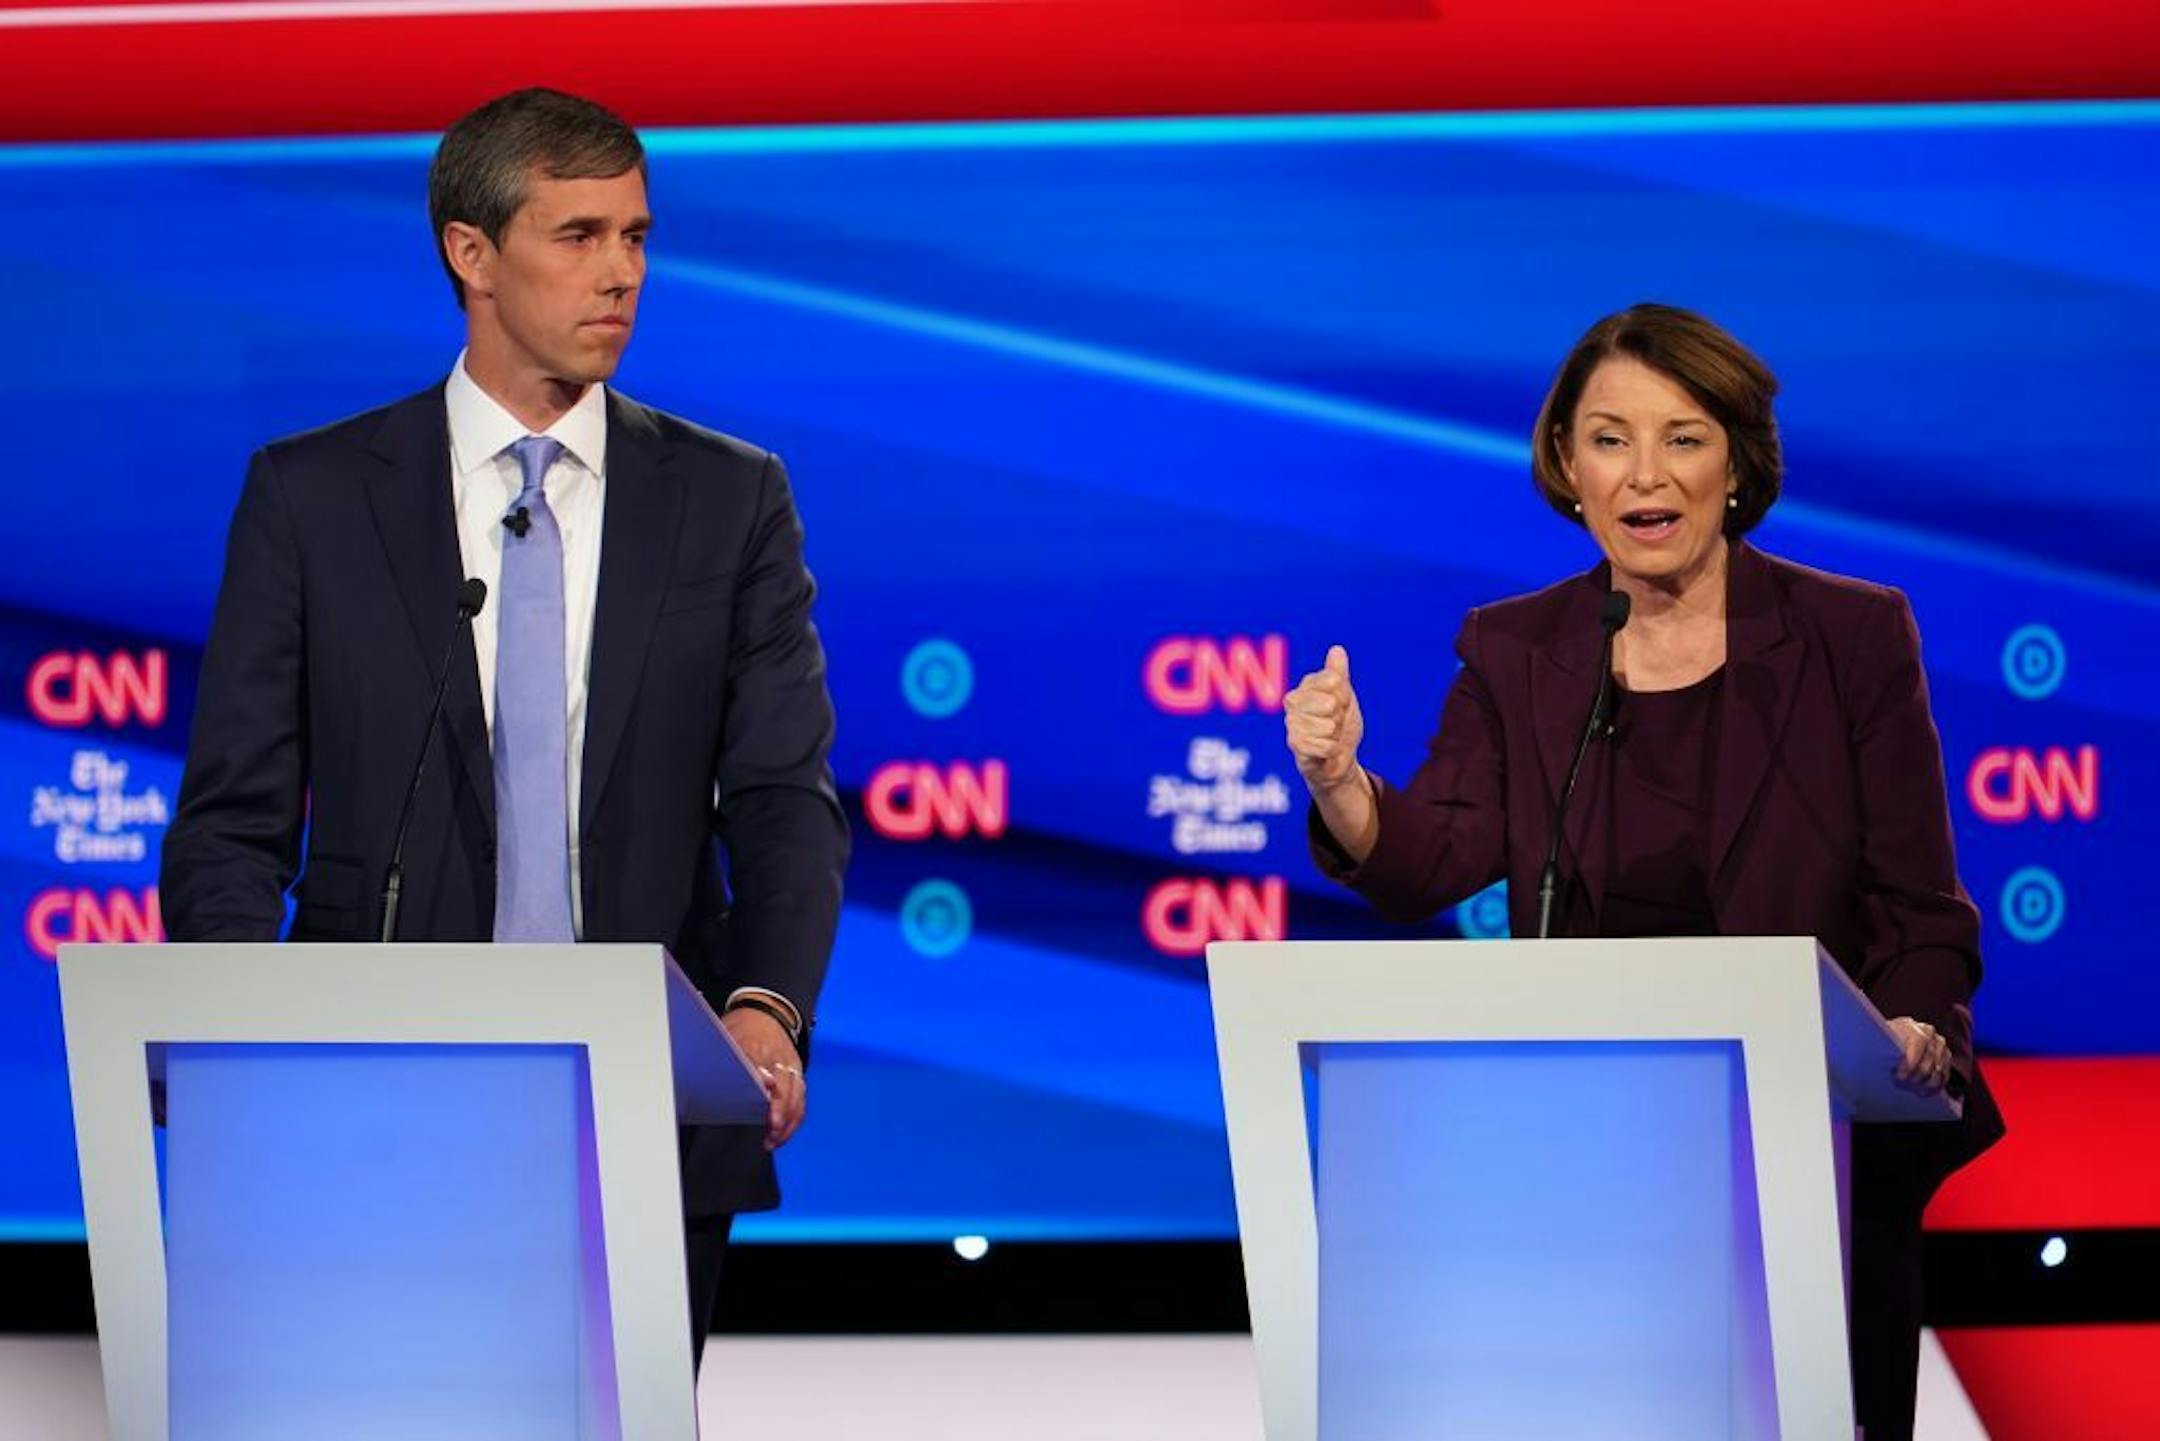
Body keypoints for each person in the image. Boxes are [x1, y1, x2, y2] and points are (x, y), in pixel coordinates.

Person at [160, 87, 848, 1362]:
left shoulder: (729, 499)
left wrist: (763, 1008)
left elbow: (781, 796)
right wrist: (245, 1060)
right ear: (470, 254)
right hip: (373, 1107)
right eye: (578, 236)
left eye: (637, 237)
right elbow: (232, 825)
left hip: (649, 1103)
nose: (622, 275)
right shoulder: (312, 499)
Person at [1285, 303, 2004, 1441]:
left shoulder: (1850, 635)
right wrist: (1340, 783)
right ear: (1567, 464)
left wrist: (1916, 1023)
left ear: (1735, 462)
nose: (1643, 474)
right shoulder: (1517, 648)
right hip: (1588, 1155)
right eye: (1609, 438)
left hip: (1818, 1146)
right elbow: (1435, 855)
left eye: (1683, 436)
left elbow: (1919, 904)